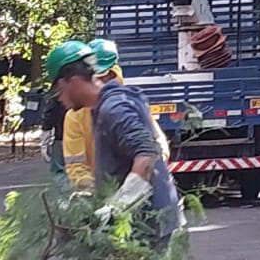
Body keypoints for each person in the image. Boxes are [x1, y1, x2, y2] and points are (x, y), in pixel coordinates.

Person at [46, 41, 185, 253]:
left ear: (72, 81)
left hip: (148, 228)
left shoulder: (114, 108)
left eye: (58, 89)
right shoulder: (106, 105)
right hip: (142, 225)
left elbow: (147, 153)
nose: (58, 97)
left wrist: (119, 205)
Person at [64, 38, 171, 191]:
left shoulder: (123, 106)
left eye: (104, 78)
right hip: (105, 190)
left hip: (138, 191)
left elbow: (155, 146)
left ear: (113, 75)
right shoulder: (75, 116)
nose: (99, 84)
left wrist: (135, 184)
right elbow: (76, 164)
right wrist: (92, 188)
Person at [39, 90, 68, 182]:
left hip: (61, 138)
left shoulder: (58, 94)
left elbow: (49, 116)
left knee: (59, 171)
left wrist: (44, 143)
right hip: (83, 138)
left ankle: (66, 193)